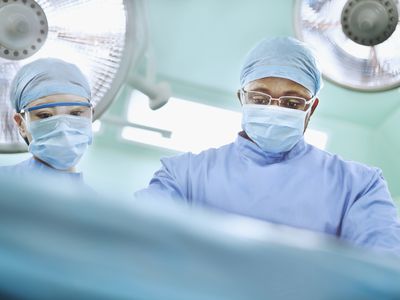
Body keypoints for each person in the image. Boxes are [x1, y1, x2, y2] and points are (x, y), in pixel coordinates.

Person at [136, 37, 400, 256]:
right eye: (260, 98)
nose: (274, 110)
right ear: (242, 98)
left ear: (312, 109)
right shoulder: (183, 175)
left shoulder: (358, 186)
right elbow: (138, 242)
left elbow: (384, 268)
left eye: (292, 103)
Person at [0, 58, 93, 185]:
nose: (63, 129)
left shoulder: (91, 202)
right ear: (21, 124)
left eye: (76, 114)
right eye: (45, 115)